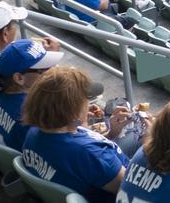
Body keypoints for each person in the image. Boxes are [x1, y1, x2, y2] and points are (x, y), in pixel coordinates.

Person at [21, 66, 129, 203]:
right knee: (133, 138)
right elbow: (132, 190)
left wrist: (109, 133)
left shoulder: (33, 132)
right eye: (85, 99)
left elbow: (77, 154)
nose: (88, 103)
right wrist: (150, 140)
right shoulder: (91, 155)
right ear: (72, 112)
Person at [0, 39, 67, 150]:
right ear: (19, 78)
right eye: (44, 69)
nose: (52, 71)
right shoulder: (35, 111)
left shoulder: (0, 90)